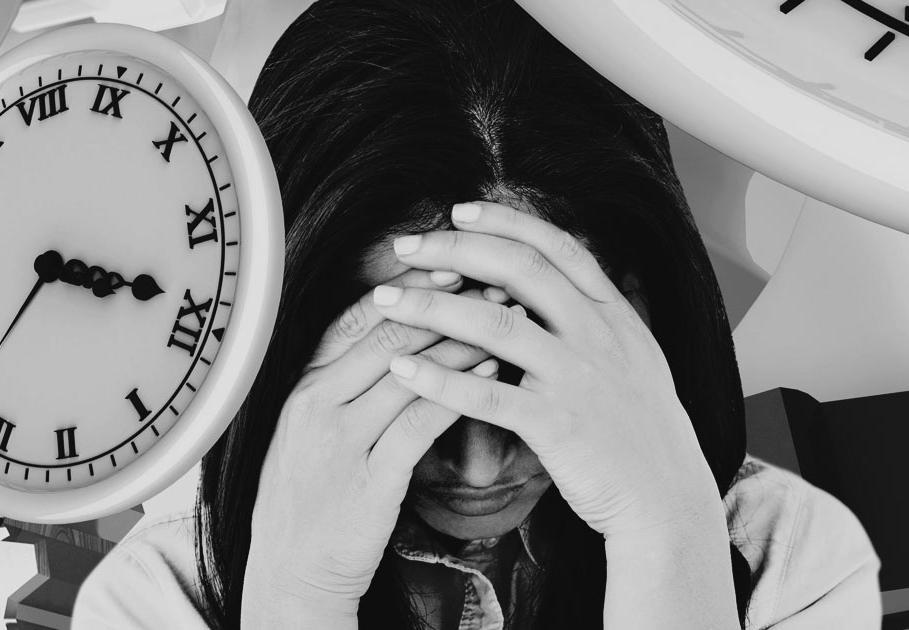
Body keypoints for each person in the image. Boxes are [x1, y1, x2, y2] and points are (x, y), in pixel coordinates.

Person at [73, 1, 881, 628]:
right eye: (409, 380)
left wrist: (668, 534)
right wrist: (296, 593)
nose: (480, 471)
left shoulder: (792, 557)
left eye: (529, 370)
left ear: (637, 318)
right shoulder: (155, 599)